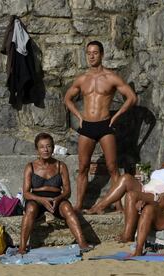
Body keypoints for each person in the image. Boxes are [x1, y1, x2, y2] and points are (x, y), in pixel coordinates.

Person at [64, 40, 137, 212]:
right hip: (87, 126)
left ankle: (118, 205)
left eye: (95, 52)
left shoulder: (111, 77)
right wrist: (79, 116)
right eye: (89, 53)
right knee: (83, 167)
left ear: (102, 54)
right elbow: (67, 99)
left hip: (105, 125)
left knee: (113, 167)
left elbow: (132, 97)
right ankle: (79, 204)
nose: (91, 56)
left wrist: (116, 116)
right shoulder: (82, 79)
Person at [85, 131, 164, 219]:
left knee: (130, 188)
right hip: (146, 190)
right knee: (126, 178)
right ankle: (100, 206)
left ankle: (98, 207)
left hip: (158, 196)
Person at [18, 133, 91, 254]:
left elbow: (67, 191)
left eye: (49, 146)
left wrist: (58, 199)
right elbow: (26, 193)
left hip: (56, 198)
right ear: (37, 149)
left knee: (67, 208)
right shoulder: (30, 166)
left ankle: (82, 243)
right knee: (30, 208)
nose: (46, 150)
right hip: (36, 199)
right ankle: (22, 247)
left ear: (53, 148)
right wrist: (41, 200)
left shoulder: (60, 166)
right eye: (42, 147)